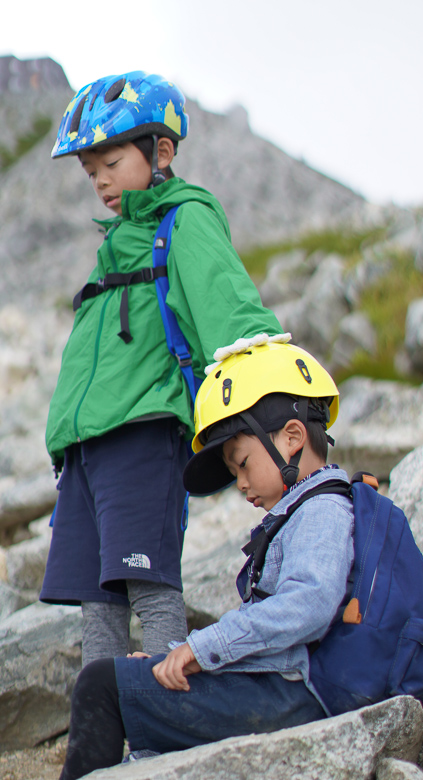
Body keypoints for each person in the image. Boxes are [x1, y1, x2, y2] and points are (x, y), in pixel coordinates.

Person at [40, 71, 282, 667]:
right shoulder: (116, 242)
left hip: (146, 432)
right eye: (89, 169)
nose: (99, 180)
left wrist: (275, 414)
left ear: (161, 151)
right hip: (86, 446)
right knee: (98, 606)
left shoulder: (185, 219)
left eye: (112, 161)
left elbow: (232, 313)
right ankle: (97, 752)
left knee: (150, 591)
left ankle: (163, 736)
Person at [57, 340, 355, 780]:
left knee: (102, 685)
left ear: (292, 437)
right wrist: (181, 655)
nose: (240, 483)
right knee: (131, 681)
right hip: (286, 689)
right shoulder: (302, 512)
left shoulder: (322, 510)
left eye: (243, 463)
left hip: (296, 698)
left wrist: (200, 648)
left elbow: (308, 605)